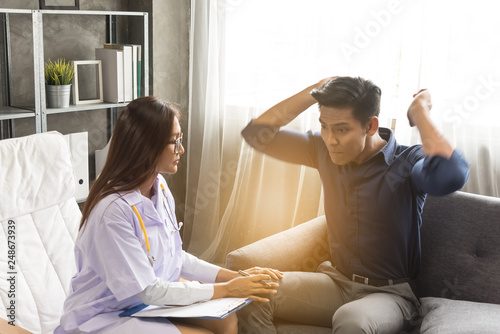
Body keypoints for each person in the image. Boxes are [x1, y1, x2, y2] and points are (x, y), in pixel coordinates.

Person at [238, 76, 470, 333]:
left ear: (371, 126)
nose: (330, 139)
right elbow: (256, 134)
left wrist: (420, 111)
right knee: (248, 289)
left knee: (352, 319)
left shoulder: (407, 161)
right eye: (324, 127)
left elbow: (452, 175)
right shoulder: (322, 150)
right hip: (336, 283)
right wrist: (312, 93)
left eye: (341, 129)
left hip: (390, 295)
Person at [55, 96, 283, 334]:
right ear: (147, 145)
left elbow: (175, 257)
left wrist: (235, 277)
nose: (181, 149)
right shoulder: (112, 213)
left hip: (143, 305)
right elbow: (148, 290)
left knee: (226, 321)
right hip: (105, 316)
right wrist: (228, 289)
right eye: (175, 141)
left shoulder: (159, 187)